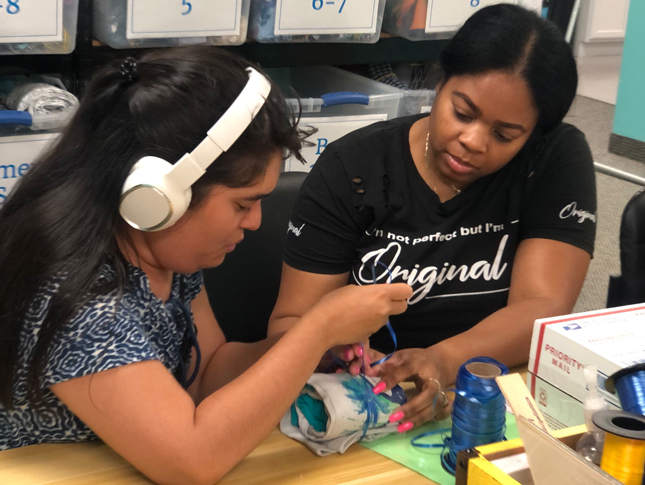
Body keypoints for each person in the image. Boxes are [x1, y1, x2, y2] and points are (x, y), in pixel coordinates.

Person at [0, 47, 413, 484]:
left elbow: (208, 369)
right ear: (162, 193)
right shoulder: (76, 293)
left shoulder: (163, 252)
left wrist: (305, 353)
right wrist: (317, 331)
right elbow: (192, 462)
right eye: (243, 203)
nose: (254, 221)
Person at [268, 4, 596, 433]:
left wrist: (444, 359)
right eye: (462, 112)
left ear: (535, 133)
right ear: (439, 84)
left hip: (489, 392)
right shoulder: (353, 167)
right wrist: (331, 348)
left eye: (504, 135)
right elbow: (288, 327)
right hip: (368, 405)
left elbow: (544, 306)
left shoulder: (553, 158)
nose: (472, 141)